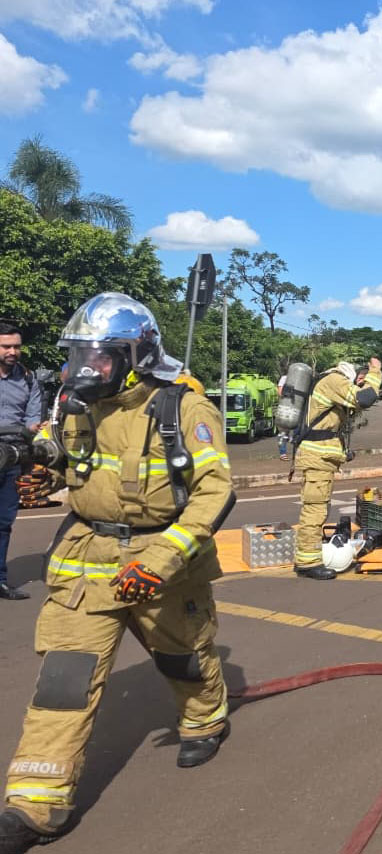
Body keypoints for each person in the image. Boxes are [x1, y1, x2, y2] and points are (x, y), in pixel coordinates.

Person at [0, 294, 234, 853]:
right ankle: (36, 805)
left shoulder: (184, 409)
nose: (85, 367)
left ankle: (205, 720)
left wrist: (162, 561)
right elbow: (66, 454)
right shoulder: (79, 403)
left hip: (164, 562)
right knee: (64, 680)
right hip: (88, 559)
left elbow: (214, 491)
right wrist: (23, 452)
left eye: (98, 356)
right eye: (79, 355)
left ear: (135, 354)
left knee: (183, 656)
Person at [292, 357, 382, 580]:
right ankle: (307, 562)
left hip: (320, 455)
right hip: (317, 456)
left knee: (318, 506)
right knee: (315, 509)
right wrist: (375, 373)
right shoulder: (334, 380)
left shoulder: (327, 381)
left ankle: (308, 556)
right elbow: (364, 398)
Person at [0, 321, 43, 601]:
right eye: (6, 346)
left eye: (16, 346)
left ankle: (0, 580)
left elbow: (32, 419)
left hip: (10, 459)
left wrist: (33, 429)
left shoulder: (27, 378)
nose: (13, 351)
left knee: (3, 522)